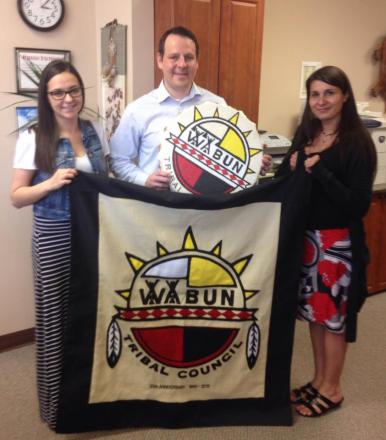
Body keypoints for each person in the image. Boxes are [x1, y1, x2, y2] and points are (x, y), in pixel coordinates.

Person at [10, 60, 109, 429]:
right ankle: (56, 409)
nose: (67, 99)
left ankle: (90, 401)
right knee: (56, 322)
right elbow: (17, 196)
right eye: (58, 92)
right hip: (54, 236)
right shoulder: (34, 137)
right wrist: (50, 182)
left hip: (95, 235)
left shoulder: (95, 130)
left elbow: (107, 179)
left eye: (73, 90)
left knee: (92, 318)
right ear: (46, 96)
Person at [276, 66, 377, 417]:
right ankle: (319, 381)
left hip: (338, 246)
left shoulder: (357, 144)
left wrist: (319, 171)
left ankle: (332, 389)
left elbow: (358, 204)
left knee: (334, 320)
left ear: (345, 96)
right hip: (307, 241)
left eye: (329, 93)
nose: (321, 101)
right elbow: (283, 177)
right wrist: (286, 167)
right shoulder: (306, 133)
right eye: (315, 94)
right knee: (317, 317)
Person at [110, 26, 271, 189]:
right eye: (174, 57)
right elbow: (118, 160)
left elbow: (229, 155)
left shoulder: (217, 105)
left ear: (197, 62)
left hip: (204, 209)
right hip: (156, 208)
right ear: (160, 60)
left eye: (189, 57)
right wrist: (144, 180)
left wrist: (253, 162)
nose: (182, 64)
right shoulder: (137, 110)